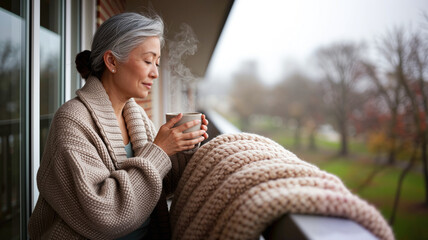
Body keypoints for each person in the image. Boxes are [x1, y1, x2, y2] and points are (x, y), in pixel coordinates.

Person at [28, 12, 208, 240]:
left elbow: (160, 184)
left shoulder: (136, 116)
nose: (155, 72)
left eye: (157, 62)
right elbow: (105, 214)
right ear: (112, 61)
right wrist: (160, 151)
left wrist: (186, 148)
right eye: (147, 61)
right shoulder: (72, 121)